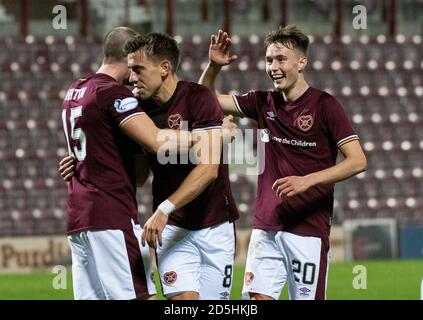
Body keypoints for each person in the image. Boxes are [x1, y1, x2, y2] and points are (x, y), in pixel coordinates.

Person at [199, 26, 367, 300]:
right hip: (266, 227)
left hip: (307, 230)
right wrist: (213, 67)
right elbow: (201, 103)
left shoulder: (325, 106)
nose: (273, 67)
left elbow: (358, 160)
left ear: (302, 62)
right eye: (269, 60)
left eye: (281, 59)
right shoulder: (262, 102)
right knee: (254, 301)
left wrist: (308, 180)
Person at [60, 27, 191, 300]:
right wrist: (208, 136)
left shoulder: (75, 90)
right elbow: (157, 141)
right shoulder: (113, 93)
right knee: (141, 295)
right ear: (127, 57)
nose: (134, 76)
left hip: (78, 218)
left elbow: (135, 172)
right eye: (134, 65)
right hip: (111, 214)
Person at [123, 32, 239, 300]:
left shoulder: (199, 98)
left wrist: (164, 207)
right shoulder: (137, 111)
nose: (131, 78)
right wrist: (84, 164)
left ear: (164, 68)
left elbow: (209, 169)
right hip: (173, 227)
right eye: (130, 70)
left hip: (215, 224)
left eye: (138, 69)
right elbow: (140, 177)